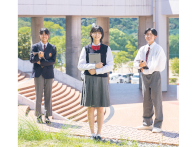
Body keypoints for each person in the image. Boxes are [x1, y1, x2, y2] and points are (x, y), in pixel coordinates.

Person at [78, 25, 114, 140]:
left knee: (100, 107)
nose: (97, 34)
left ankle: (99, 133)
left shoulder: (106, 48)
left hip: (101, 79)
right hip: (89, 79)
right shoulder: (86, 48)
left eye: (99, 32)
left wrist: (97, 71)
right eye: (94, 32)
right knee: (90, 107)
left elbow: (110, 66)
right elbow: (80, 65)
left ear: (102, 35)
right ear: (91, 34)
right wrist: (93, 66)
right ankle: (92, 133)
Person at [133, 28, 166, 133]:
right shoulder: (142, 49)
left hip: (155, 75)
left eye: (151, 34)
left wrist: (144, 66)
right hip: (144, 76)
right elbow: (135, 62)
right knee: (146, 99)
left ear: (155, 36)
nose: (148, 36)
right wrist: (139, 65)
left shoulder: (158, 49)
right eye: (146, 34)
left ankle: (158, 124)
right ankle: (147, 123)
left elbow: (155, 64)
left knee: (157, 100)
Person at [30, 28, 56, 124]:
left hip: (49, 74)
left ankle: (48, 116)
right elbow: (31, 59)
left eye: (46, 34)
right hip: (38, 74)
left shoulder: (53, 47)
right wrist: (38, 56)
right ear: (39, 35)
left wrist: (40, 61)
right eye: (42, 34)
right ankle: (38, 116)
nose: (44, 36)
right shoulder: (35, 47)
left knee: (48, 95)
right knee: (38, 95)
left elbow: (53, 61)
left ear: (48, 36)